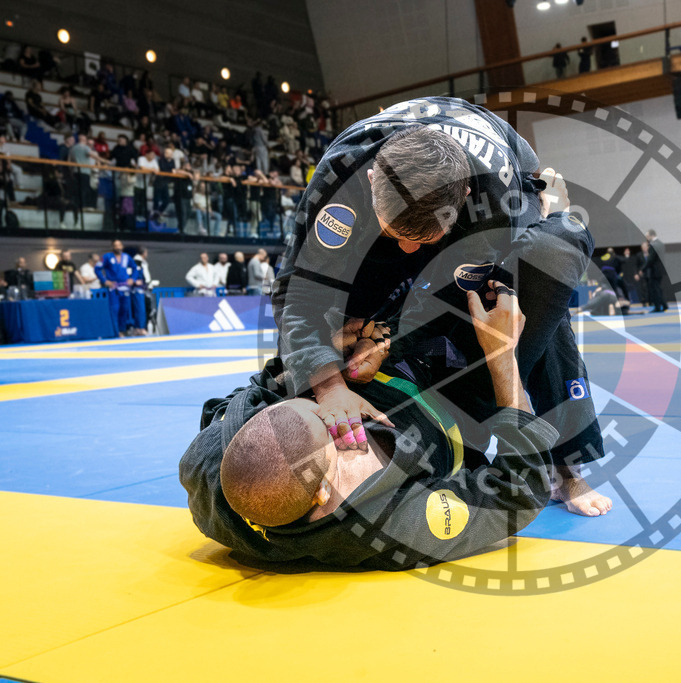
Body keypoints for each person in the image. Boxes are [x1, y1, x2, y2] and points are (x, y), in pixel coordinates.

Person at [273, 97, 611, 517]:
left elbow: (532, 315)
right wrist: (327, 385)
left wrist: (391, 334)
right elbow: (298, 294)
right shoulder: (341, 178)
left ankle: (566, 465)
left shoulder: (499, 202)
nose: (409, 250)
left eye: (422, 241)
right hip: (386, 199)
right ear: (373, 178)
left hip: (495, 188)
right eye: (398, 234)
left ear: (464, 197)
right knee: (308, 358)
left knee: (537, 292)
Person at [181, 280, 560, 570]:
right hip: (459, 403)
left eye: (314, 410)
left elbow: (237, 402)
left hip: (381, 358)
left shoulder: (205, 467)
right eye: (335, 431)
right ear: (324, 493)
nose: (336, 413)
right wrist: (501, 357)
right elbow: (517, 493)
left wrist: (324, 369)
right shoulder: (384, 527)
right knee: (542, 269)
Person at [97, 240, 145, 336]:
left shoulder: (126, 257)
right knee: (115, 309)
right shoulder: (106, 257)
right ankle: (116, 332)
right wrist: (105, 281)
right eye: (115, 245)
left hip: (125, 287)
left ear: (122, 246)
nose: (118, 247)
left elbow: (135, 268)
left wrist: (133, 279)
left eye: (119, 245)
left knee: (124, 309)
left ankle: (122, 330)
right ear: (112, 247)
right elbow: (97, 268)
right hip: (113, 287)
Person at [639, 230, 668, 312]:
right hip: (660, 270)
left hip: (654, 271)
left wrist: (642, 269)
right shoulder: (661, 244)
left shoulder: (653, 245)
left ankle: (658, 307)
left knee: (655, 290)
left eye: (647, 236)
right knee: (658, 288)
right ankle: (664, 305)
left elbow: (650, 260)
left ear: (651, 235)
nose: (647, 238)